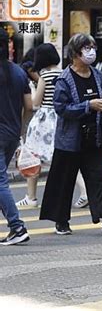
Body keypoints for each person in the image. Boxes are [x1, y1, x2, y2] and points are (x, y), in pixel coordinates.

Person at [39, 33, 102, 236]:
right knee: (64, 181)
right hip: (70, 140)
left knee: (99, 179)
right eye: (86, 48)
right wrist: (88, 106)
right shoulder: (64, 78)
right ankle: (61, 221)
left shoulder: (97, 75)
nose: (91, 52)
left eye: (93, 47)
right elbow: (61, 108)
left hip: (94, 138)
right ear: (75, 53)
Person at [14, 44, 89, 209]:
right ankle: (84, 192)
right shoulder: (64, 72)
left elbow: (36, 102)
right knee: (65, 157)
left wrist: (32, 89)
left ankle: (31, 197)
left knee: (33, 156)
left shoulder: (45, 75)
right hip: (62, 118)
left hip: (44, 120)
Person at [0, 28, 33, 245]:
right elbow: (29, 106)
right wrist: (21, 129)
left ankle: (17, 226)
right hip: (12, 133)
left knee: (0, 181)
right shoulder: (19, 72)